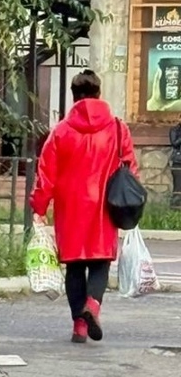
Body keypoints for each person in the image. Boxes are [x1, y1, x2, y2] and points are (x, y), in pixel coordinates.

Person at [31, 70, 138, 344]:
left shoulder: (61, 131)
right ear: (99, 94)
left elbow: (46, 174)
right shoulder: (117, 128)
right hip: (105, 205)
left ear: (74, 96)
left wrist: (39, 207)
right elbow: (129, 167)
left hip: (70, 208)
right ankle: (93, 305)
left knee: (75, 267)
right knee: (100, 262)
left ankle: (79, 326)